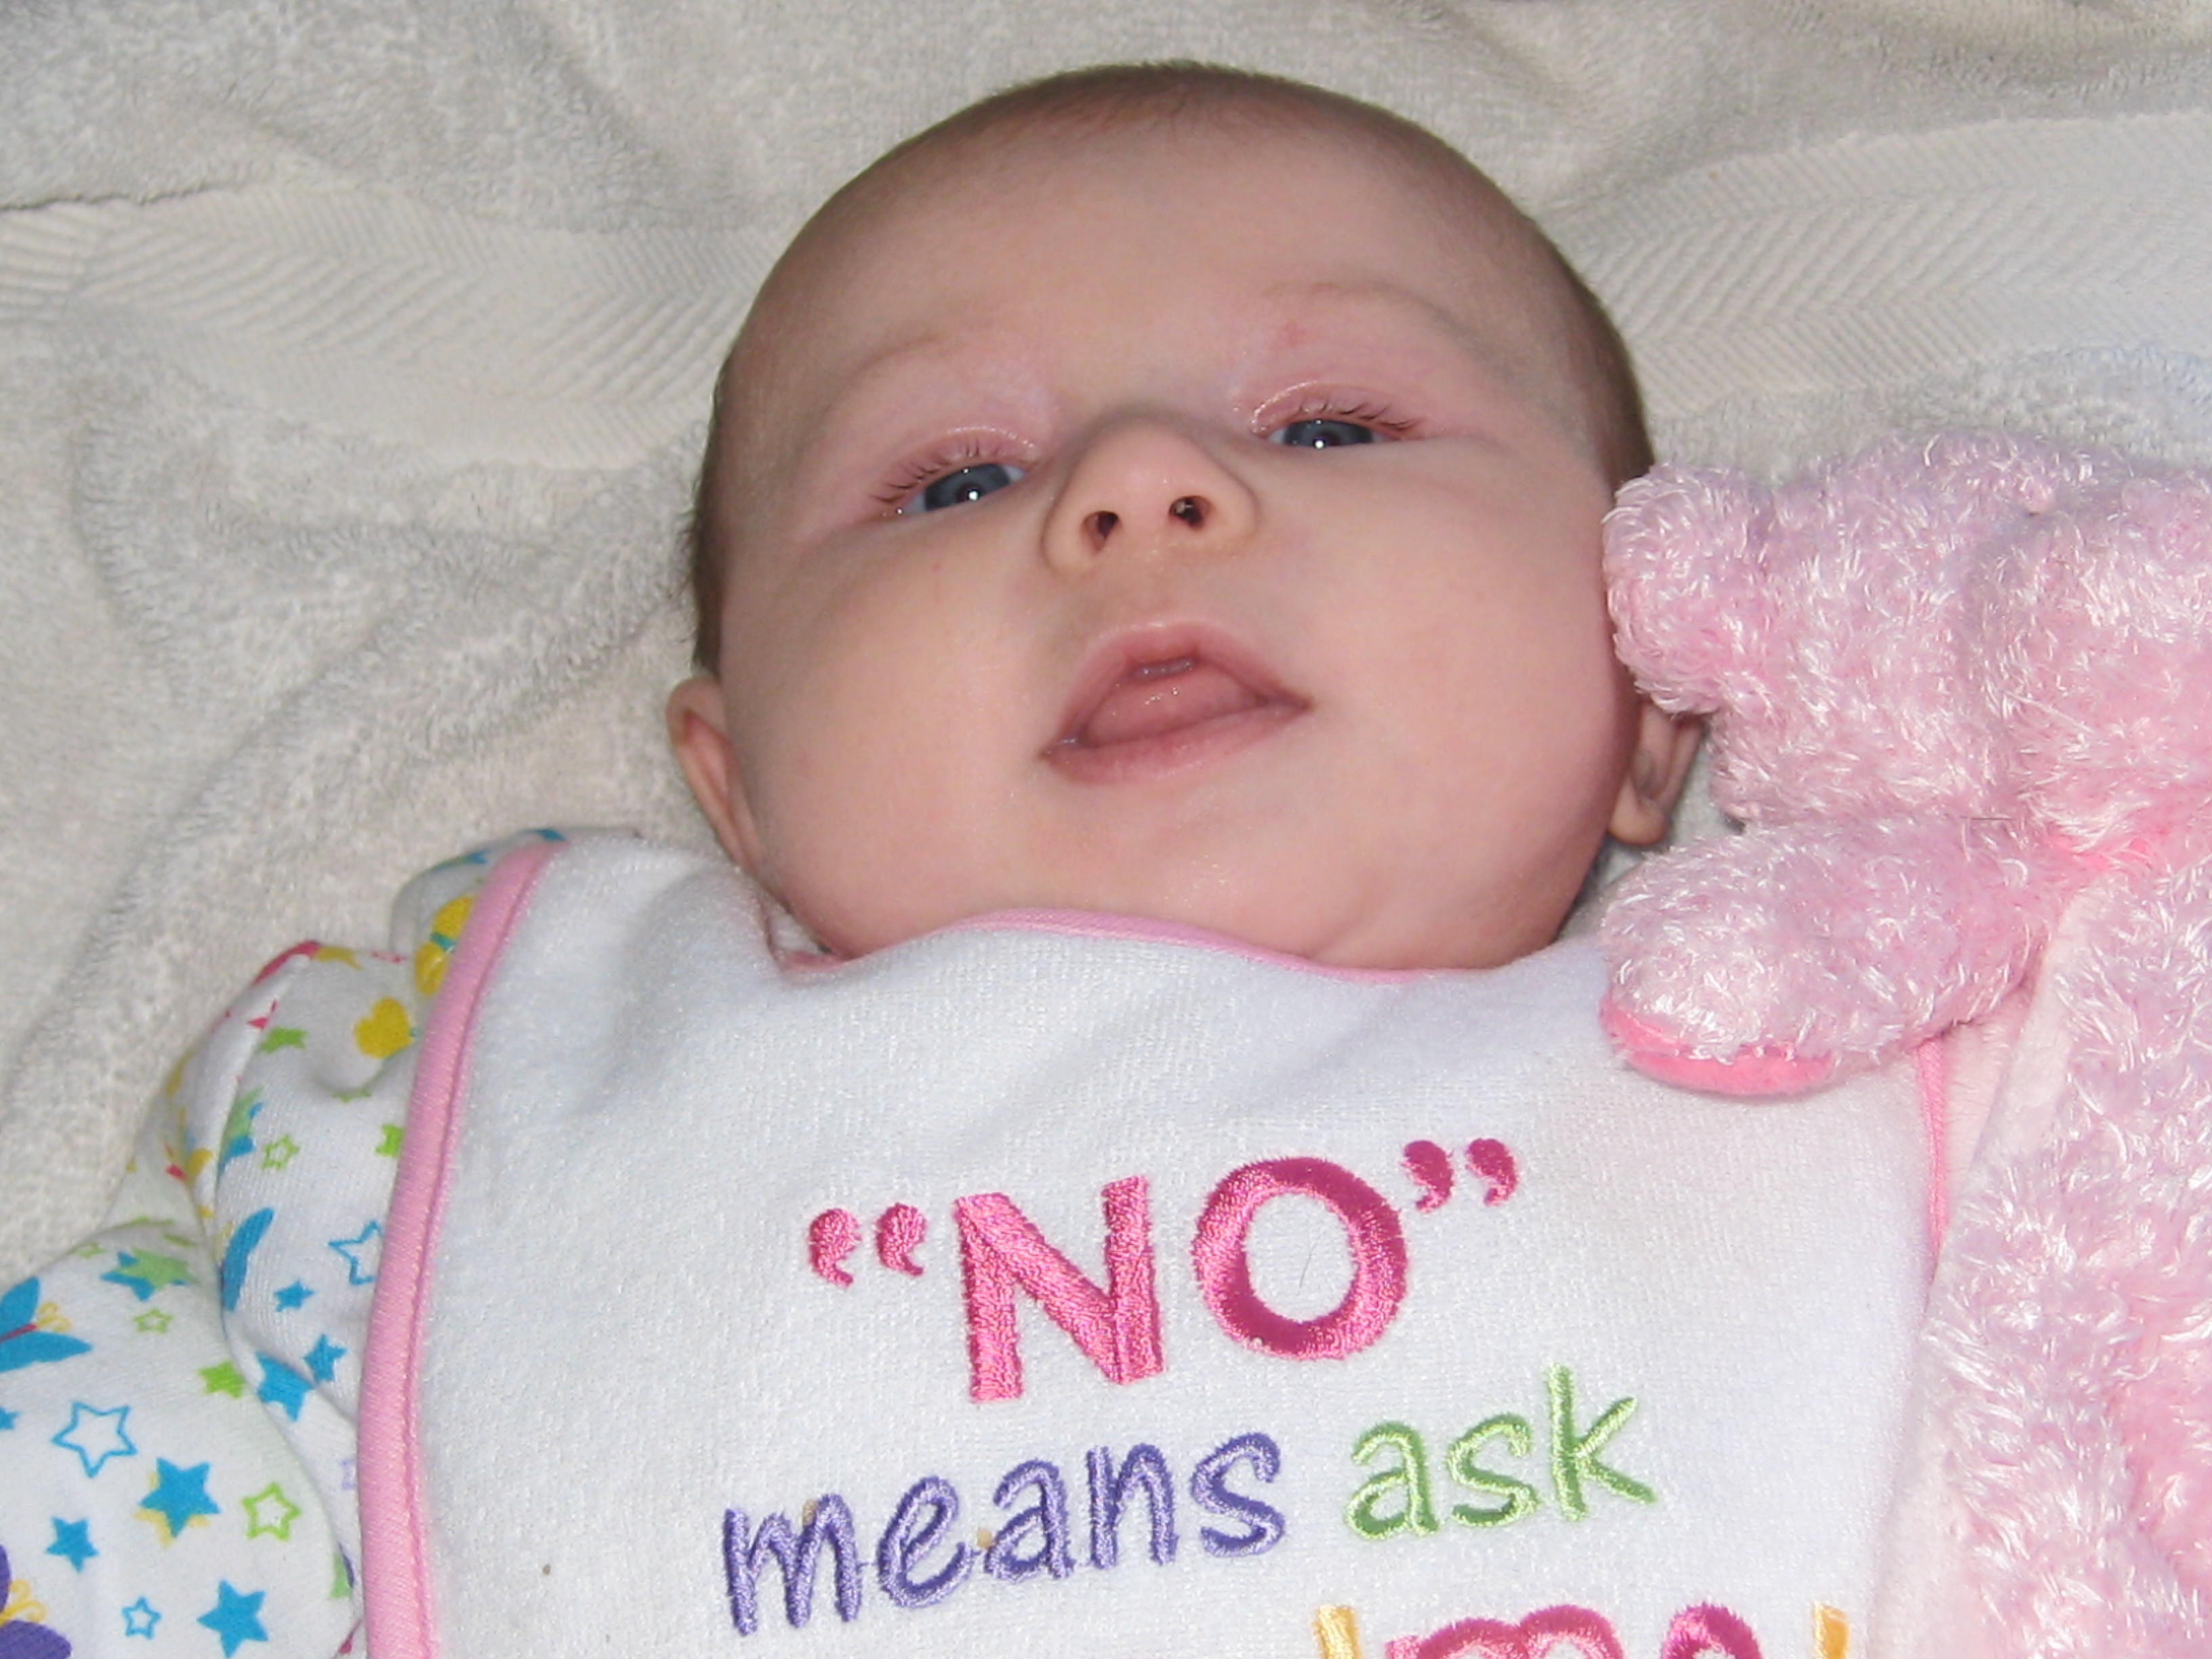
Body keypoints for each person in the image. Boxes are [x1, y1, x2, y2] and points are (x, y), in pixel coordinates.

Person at [0, 65, 1926, 1659]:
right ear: (738, 788)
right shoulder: (499, 1089)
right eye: (958, 480)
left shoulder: (1893, 1049)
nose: (1142, 485)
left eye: (1335, 425)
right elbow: (116, 1486)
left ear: (1656, 687)